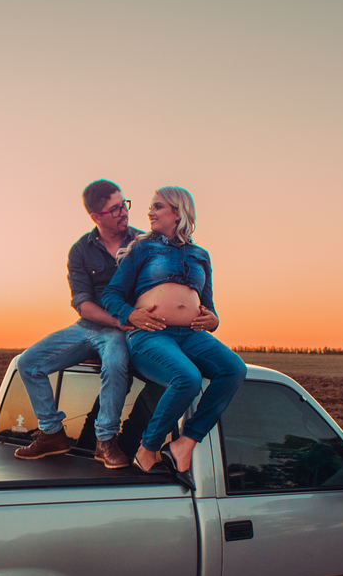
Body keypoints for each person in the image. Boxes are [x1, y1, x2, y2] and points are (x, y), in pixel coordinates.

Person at [101, 186, 246, 489]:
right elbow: (111, 294)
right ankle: (147, 447)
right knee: (187, 379)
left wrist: (214, 320)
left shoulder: (200, 255)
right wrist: (131, 315)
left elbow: (208, 304)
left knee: (234, 369)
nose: (150, 212)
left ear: (178, 212)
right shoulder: (142, 249)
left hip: (191, 336)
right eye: (151, 207)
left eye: (158, 207)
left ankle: (185, 441)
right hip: (152, 335)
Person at [14, 180, 143, 468]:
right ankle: (52, 434)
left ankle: (105, 441)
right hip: (89, 326)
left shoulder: (143, 243)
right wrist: (118, 321)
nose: (124, 213)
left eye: (124, 205)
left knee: (116, 360)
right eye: (115, 209)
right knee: (28, 363)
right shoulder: (80, 251)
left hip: (124, 331)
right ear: (96, 216)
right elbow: (82, 302)